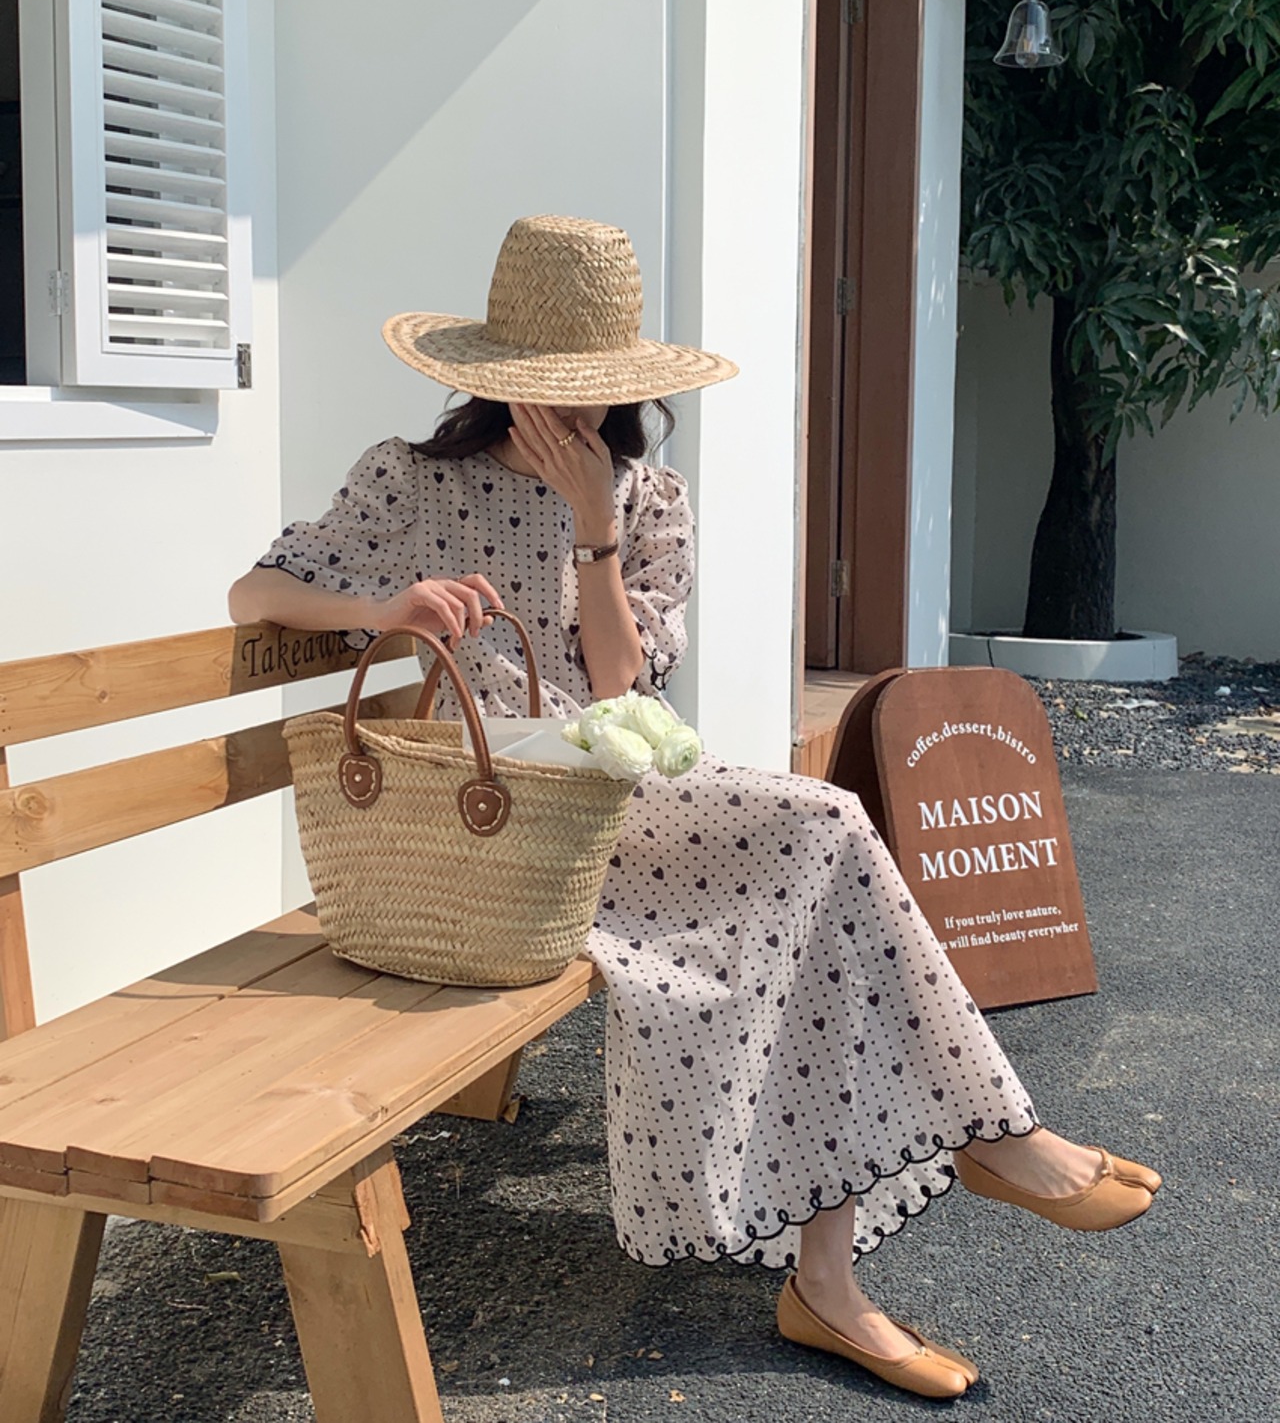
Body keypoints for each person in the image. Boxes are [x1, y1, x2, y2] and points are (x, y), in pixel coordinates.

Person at [229, 214, 1161, 1402]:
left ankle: (856, 1255)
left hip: (618, 789)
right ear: (492, 374)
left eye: (587, 384)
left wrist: (593, 528)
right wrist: (385, 603)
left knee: (816, 877)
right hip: (493, 818)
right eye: (540, 380)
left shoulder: (647, 497)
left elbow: (621, 685)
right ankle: (982, 1142)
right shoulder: (409, 479)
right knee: (821, 835)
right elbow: (254, 589)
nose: (563, 406)